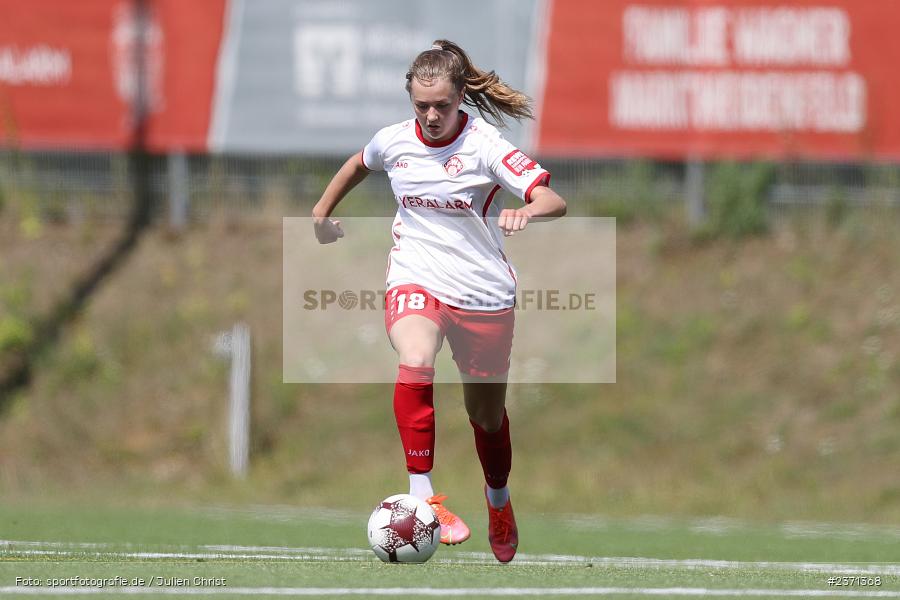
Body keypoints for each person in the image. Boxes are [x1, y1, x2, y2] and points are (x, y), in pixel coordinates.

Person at [311, 39, 566, 563]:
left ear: (459, 100)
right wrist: (320, 212)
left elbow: (552, 198)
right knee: (416, 358)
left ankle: (498, 498)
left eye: (441, 106)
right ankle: (423, 497)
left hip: (482, 292)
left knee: (487, 417)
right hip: (415, 278)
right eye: (421, 105)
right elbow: (362, 162)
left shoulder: (485, 146)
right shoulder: (396, 141)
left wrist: (528, 212)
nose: (430, 116)